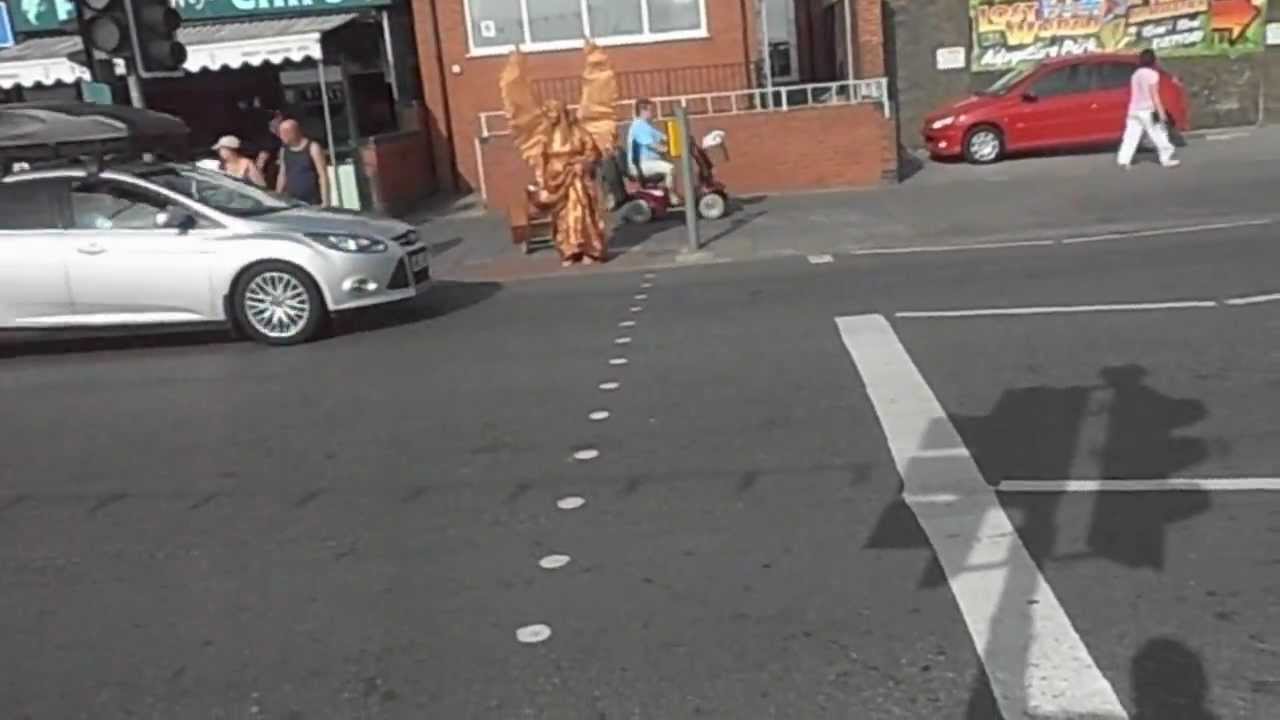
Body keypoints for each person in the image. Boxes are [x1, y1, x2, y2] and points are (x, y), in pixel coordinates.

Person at [1117, 49, 1180, 169]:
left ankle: (1124, 160)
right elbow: (1154, 96)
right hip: (1147, 109)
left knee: (1130, 136)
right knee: (1159, 134)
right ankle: (1166, 158)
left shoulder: (1135, 74)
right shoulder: (1153, 75)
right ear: (1153, 60)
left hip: (1134, 109)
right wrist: (1162, 114)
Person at [625, 98, 681, 205]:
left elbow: (662, 137)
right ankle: (672, 195)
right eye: (651, 110)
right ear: (643, 111)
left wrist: (676, 137)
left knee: (669, 164)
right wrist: (664, 148)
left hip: (648, 163)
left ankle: (669, 193)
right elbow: (651, 144)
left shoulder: (646, 125)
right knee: (670, 168)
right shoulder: (639, 126)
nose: (653, 113)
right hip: (641, 165)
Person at [275, 119, 329, 206]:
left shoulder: (313, 147)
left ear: (295, 132)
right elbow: (282, 174)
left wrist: (325, 201)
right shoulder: (284, 150)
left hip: (313, 200)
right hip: (292, 200)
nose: (281, 136)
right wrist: (277, 197)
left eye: (285, 133)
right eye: (280, 133)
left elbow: (323, 175)